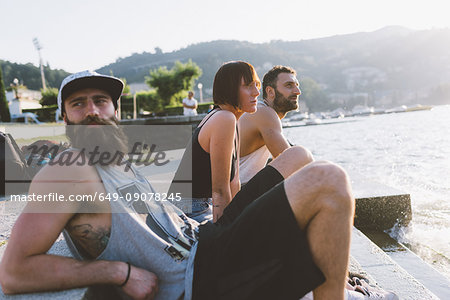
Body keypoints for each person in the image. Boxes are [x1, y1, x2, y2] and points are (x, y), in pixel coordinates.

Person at [0, 69, 396, 300]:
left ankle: (331, 276)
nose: (92, 111)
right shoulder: (68, 170)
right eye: (78, 104)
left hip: (206, 237)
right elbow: (14, 272)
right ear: (66, 118)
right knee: (328, 180)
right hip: (199, 272)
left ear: (115, 111)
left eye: (101, 101)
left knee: (300, 158)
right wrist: (117, 273)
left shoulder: (116, 160)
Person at [239, 65, 302, 185]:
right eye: (289, 85)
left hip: (246, 188)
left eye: (297, 86)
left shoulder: (262, 112)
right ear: (270, 91)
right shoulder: (263, 112)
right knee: (301, 154)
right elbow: (292, 163)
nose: (297, 91)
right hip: (240, 192)